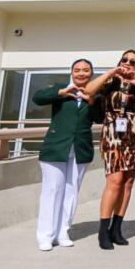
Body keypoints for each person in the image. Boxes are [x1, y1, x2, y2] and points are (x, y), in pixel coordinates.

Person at [84, 49, 135, 250]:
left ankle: (116, 228)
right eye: (125, 59)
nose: (129, 63)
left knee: (128, 181)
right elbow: (88, 91)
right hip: (113, 133)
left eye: (133, 61)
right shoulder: (109, 81)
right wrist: (112, 72)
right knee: (114, 180)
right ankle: (103, 231)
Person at [33, 58, 98, 251]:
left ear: (91, 73)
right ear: (71, 72)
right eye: (77, 70)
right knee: (52, 191)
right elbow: (38, 98)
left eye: (85, 70)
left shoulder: (94, 92)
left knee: (71, 192)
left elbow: (100, 116)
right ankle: (46, 235)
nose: (81, 74)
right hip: (56, 147)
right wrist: (61, 93)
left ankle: (62, 231)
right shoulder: (61, 88)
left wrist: (92, 101)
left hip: (80, 148)